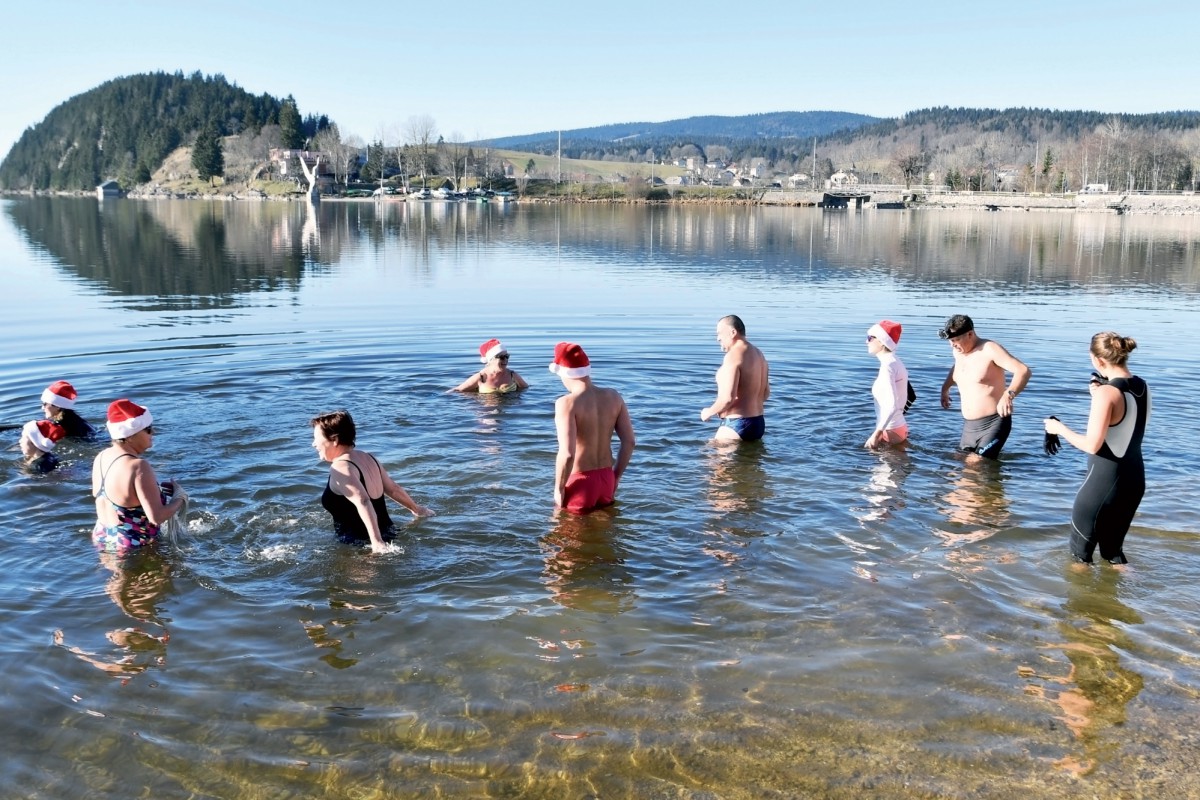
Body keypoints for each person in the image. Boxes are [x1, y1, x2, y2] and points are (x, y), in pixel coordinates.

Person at [1044, 332, 1149, 564]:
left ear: (1098, 361)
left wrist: (1058, 428)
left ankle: (1085, 601)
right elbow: (1125, 424)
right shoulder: (1142, 386)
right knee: (1113, 553)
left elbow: (1092, 445)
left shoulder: (1106, 394)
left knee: (1079, 558)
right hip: (1134, 482)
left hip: (1103, 485)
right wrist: (1099, 393)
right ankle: (1131, 596)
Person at [311, 410, 433, 553]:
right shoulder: (368, 457)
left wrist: (377, 542)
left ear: (335, 439)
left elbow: (363, 501)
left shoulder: (340, 466)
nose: (314, 444)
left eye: (316, 438)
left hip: (359, 543)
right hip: (390, 532)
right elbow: (393, 489)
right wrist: (417, 509)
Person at [91, 399, 188, 553]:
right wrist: (179, 498)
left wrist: (156, 490)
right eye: (148, 429)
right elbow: (156, 517)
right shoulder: (138, 466)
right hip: (135, 547)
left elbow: (122, 497)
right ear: (130, 435)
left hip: (103, 538)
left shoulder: (101, 457)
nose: (153, 433)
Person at [550, 342, 635, 514]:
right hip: (607, 477)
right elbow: (630, 442)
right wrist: (616, 476)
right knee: (606, 535)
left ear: (564, 373)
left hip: (580, 482)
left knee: (566, 537)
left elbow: (567, 454)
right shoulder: (614, 396)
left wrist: (558, 489)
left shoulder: (566, 403)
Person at [938, 314, 1031, 459]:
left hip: (994, 423)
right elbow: (958, 368)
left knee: (975, 463)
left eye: (956, 340)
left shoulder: (989, 349)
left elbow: (1023, 370)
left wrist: (1008, 395)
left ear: (970, 334)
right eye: (950, 341)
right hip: (970, 427)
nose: (952, 344)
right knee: (959, 462)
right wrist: (945, 388)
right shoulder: (958, 351)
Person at [699, 315, 770, 442]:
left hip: (736, 424)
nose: (718, 338)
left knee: (710, 459)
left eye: (720, 333)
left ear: (733, 332)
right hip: (758, 423)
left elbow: (727, 398)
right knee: (749, 462)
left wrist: (708, 412)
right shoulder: (759, 355)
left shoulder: (733, 356)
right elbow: (766, 393)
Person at [864, 319, 909, 448]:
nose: (866, 342)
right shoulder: (895, 361)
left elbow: (892, 405)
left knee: (885, 468)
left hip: (890, 431)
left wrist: (876, 434)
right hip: (897, 427)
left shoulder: (887, 366)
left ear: (882, 341)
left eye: (870, 338)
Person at [453, 338, 529, 393]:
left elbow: (526, 389)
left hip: (508, 410)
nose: (505, 360)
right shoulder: (481, 377)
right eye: (502, 357)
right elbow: (457, 390)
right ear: (490, 360)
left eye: (507, 356)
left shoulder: (512, 375)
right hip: (487, 411)